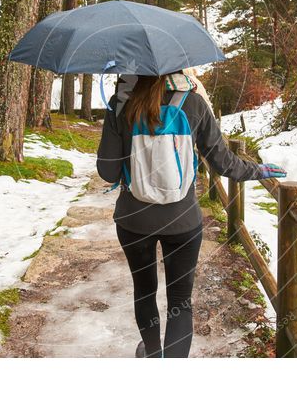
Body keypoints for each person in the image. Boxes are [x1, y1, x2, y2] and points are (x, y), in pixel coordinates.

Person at [96, 72, 286, 358]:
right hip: (182, 221)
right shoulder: (194, 103)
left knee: (144, 290)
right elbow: (223, 163)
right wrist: (257, 170)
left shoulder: (121, 104)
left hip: (134, 221)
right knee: (180, 301)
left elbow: (107, 171)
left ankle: (151, 353)